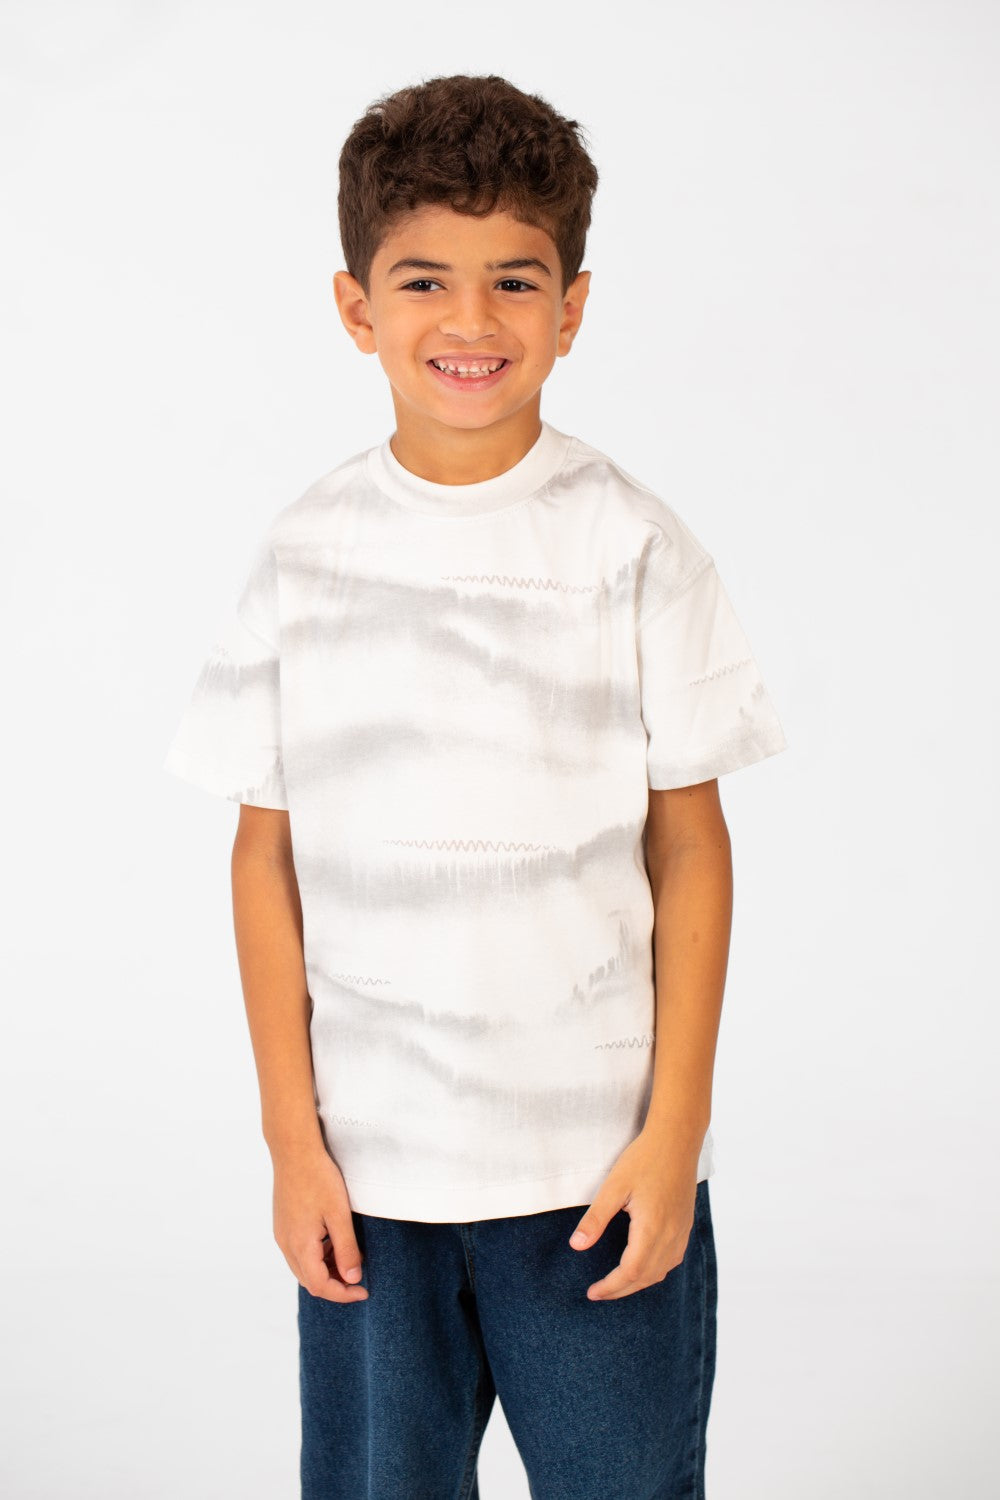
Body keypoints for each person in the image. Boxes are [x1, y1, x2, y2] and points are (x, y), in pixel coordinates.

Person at [163, 71, 788, 1500]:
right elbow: (264, 858)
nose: (471, 321)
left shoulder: (635, 547)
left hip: (594, 1175)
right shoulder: (305, 555)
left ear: (573, 307)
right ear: (355, 307)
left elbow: (691, 844)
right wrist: (292, 1143)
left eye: (515, 280)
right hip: (372, 1187)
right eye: (424, 280)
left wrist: (673, 1135)